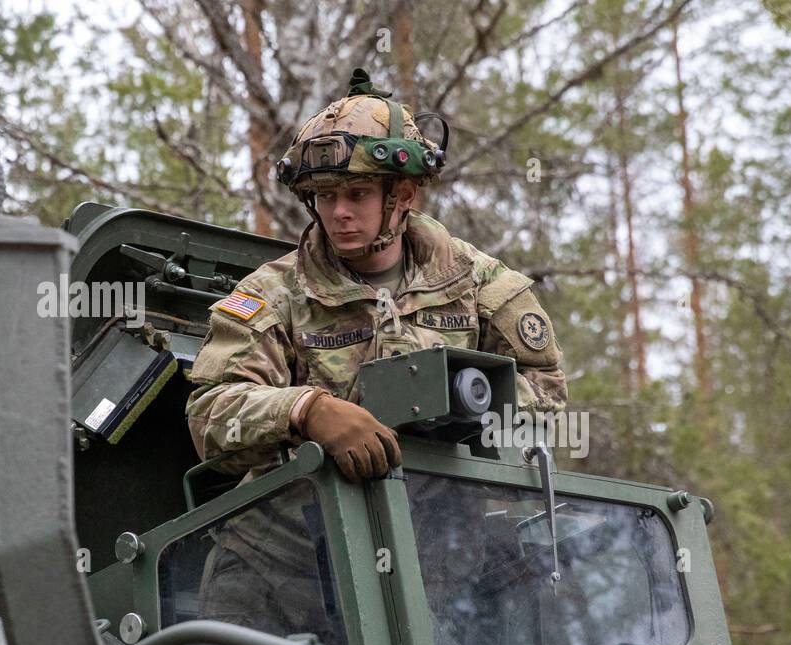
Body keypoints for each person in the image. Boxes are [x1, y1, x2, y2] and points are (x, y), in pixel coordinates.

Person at [186, 68, 567, 483]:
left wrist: (465, 412)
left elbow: (546, 384)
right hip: (295, 531)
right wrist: (307, 411)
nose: (339, 212)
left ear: (402, 195)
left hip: (445, 523)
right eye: (326, 196)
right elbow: (210, 415)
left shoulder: (476, 282)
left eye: (358, 194)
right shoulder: (273, 295)